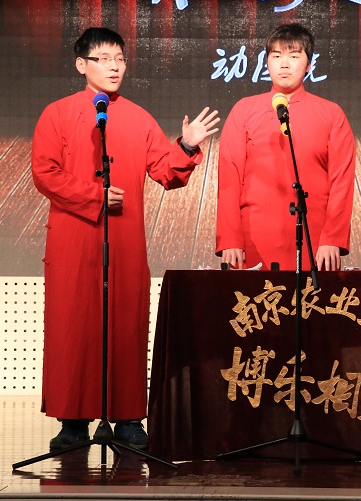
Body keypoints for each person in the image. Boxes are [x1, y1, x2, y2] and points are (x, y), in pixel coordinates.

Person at [31, 27, 219, 451]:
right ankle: (73, 420)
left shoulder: (137, 117)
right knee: (72, 325)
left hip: (126, 239)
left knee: (126, 324)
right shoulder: (57, 114)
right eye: (104, 59)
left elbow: (166, 173)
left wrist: (187, 147)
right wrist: (92, 195)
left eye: (119, 59)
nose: (114, 67)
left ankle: (129, 417)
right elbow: (44, 173)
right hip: (73, 238)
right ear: (81, 65)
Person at [216, 23, 355, 272]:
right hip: (253, 239)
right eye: (277, 56)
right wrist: (230, 238)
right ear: (267, 63)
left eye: (294, 56)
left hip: (315, 241)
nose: (284, 64)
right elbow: (229, 177)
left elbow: (341, 181)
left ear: (309, 65)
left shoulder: (331, 114)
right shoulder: (244, 110)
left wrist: (333, 238)